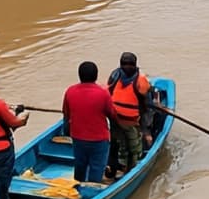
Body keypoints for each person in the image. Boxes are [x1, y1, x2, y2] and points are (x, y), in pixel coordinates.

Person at [62, 61, 114, 185]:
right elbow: (111, 114)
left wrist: (67, 132)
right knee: (96, 169)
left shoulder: (70, 91)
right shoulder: (103, 94)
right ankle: (92, 192)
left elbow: (66, 114)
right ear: (96, 76)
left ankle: (78, 186)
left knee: (80, 165)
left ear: (79, 75)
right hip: (99, 140)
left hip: (78, 137)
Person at [106, 52, 152, 180]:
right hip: (117, 119)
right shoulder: (116, 77)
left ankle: (126, 170)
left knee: (129, 147)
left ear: (135, 65)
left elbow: (146, 106)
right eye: (124, 64)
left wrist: (145, 130)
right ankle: (118, 169)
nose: (127, 67)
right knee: (125, 147)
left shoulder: (138, 81)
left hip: (130, 121)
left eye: (130, 64)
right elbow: (148, 107)